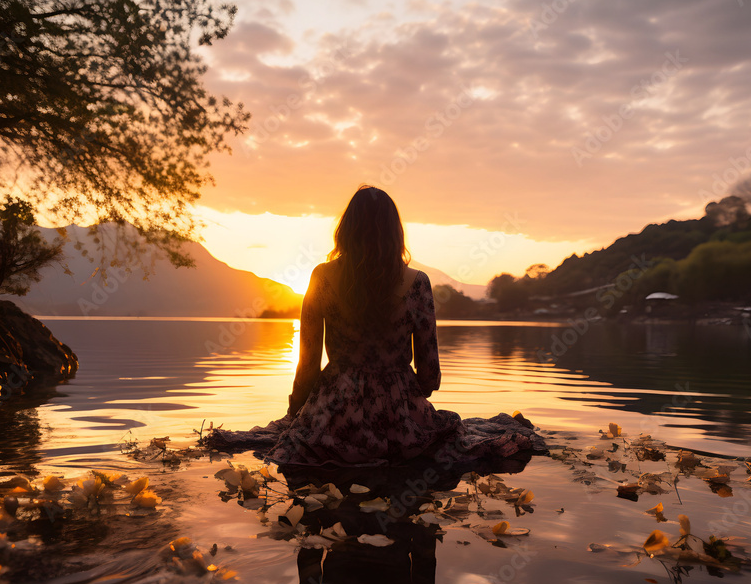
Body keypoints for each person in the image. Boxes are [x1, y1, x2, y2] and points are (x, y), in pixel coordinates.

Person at [204, 185, 545, 466]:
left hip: (334, 412)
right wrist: (405, 398)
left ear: (346, 230)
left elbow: (307, 364)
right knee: (461, 440)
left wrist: (298, 415)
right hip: (399, 414)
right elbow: (429, 376)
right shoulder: (417, 283)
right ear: (395, 232)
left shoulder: (322, 278)